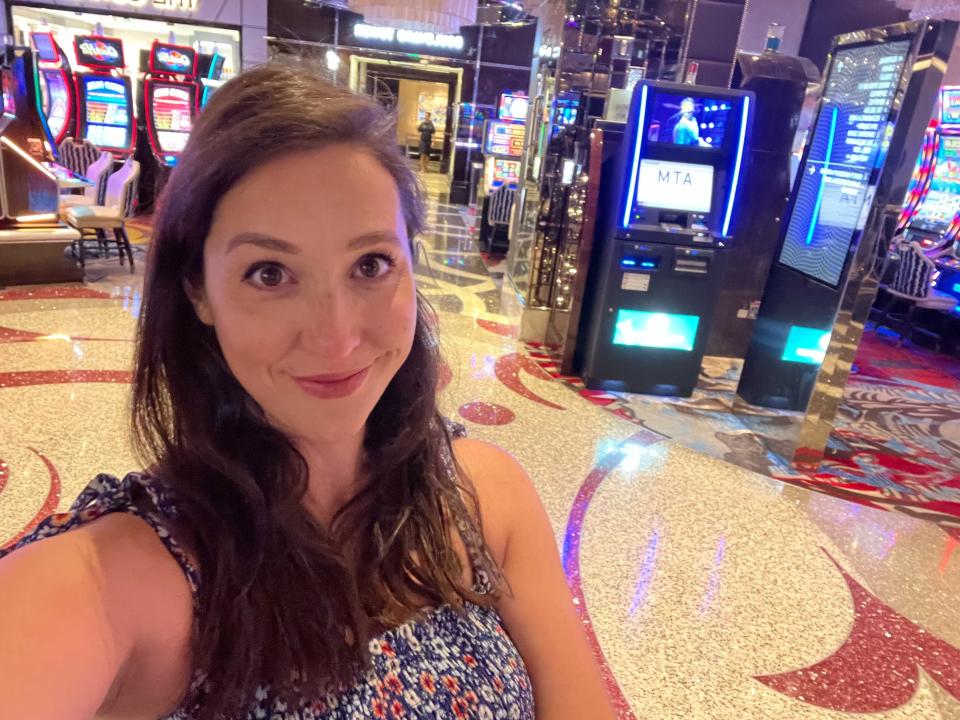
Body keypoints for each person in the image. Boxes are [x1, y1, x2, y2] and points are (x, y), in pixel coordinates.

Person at [0, 63, 615, 720]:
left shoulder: (486, 497)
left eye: (370, 265)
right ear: (198, 290)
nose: (336, 338)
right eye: (270, 273)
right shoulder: (112, 579)